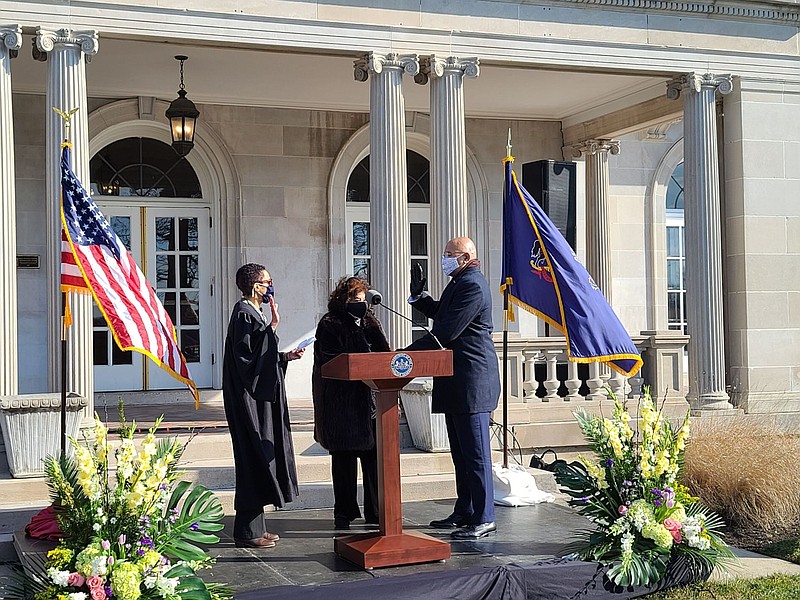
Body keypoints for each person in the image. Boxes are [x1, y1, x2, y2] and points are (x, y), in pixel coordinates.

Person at [405, 237, 501, 539]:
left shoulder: (472, 284)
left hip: (472, 380)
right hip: (456, 381)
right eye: (444, 253)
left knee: (476, 455)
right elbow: (443, 313)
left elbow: (446, 331)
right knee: (460, 455)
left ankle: (485, 516)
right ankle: (465, 511)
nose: (444, 259)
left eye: (450, 254)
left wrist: (403, 356)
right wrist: (419, 297)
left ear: (466, 256)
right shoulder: (460, 281)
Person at [222, 263, 304, 548]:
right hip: (247, 400)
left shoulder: (251, 312)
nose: (271, 286)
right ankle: (246, 531)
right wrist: (273, 326)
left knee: (259, 458)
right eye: (267, 281)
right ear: (255, 286)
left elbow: (260, 355)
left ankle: (256, 526)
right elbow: (246, 361)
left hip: (256, 397)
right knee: (251, 458)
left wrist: (284, 357)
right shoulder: (243, 314)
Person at [312, 276, 390, 530]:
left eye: (362, 299)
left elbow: (384, 354)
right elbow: (330, 360)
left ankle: (377, 513)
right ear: (342, 299)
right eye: (354, 299)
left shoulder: (370, 321)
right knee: (344, 463)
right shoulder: (330, 323)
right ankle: (343, 513)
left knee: (374, 461)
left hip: (370, 402)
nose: (360, 303)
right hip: (342, 405)